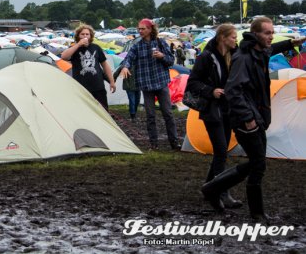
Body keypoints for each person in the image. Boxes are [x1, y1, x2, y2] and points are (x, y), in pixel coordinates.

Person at [201, 17, 306, 220]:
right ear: (256, 34)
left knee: (258, 163)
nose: (271, 36)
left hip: (257, 116)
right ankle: (256, 212)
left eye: (272, 32)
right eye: (267, 33)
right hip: (245, 119)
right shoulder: (244, 57)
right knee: (258, 164)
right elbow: (233, 90)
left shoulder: (259, 51)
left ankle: (213, 187)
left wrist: (292, 43)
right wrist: (247, 117)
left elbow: (271, 49)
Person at [186, 24, 242, 209]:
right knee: (220, 151)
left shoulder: (233, 55)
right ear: (223, 38)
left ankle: (208, 187)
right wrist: (211, 91)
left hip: (227, 109)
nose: (236, 40)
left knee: (221, 151)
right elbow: (193, 82)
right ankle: (221, 191)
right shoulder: (206, 57)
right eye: (233, 37)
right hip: (212, 110)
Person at [120, 19, 180, 150]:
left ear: (150, 29)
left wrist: (162, 56)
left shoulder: (160, 43)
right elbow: (128, 58)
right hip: (146, 85)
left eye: (143, 29)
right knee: (150, 116)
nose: (140, 31)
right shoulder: (137, 46)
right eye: (139, 29)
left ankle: (174, 142)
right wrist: (125, 67)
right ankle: (154, 144)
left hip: (161, 83)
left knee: (168, 114)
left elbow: (171, 61)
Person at [60, 24, 116, 111]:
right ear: (78, 36)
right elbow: (64, 56)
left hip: (98, 87)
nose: (85, 36)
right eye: (82, 34)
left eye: (87, 34)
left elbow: (105, 65)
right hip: (81, 88)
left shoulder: (96, 48)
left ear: (91, 36)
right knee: (84, 111)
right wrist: (78, 44)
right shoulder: (74, 48)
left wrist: (112, 81)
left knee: (103, 111)